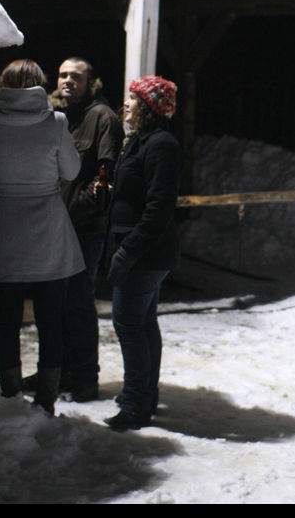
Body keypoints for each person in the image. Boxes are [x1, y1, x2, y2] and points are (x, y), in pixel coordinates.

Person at [0, 59, 85, 416]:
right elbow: (71, 170)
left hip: (6, 222)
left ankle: (10, 394)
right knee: (49, 317)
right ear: (40, 83)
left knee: (7, 317)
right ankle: (46, 399)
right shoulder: (55, 122)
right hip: (48, 227)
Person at [21, 58, 122, 403]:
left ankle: (83, 378)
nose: (67, 81)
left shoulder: (101, 118)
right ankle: (55, 369)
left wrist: (81, 205)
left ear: (90, 81)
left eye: (75, 77)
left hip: (82, 227)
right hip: (51, 222)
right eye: (63, 75)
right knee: (53, 302)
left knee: (78, 302)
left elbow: (106, 175)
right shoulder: (54, 116)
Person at [104, 75, 182, 431]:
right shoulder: (141, 142)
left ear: (149, 107)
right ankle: (144, 397)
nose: (128, 104)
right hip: (138, 249)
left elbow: (158, 210)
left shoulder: (161, 144)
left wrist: (127, 252)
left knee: (130, 326)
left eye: (134, 99)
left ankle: (135, 404)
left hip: (145, 253)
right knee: (143, 324)